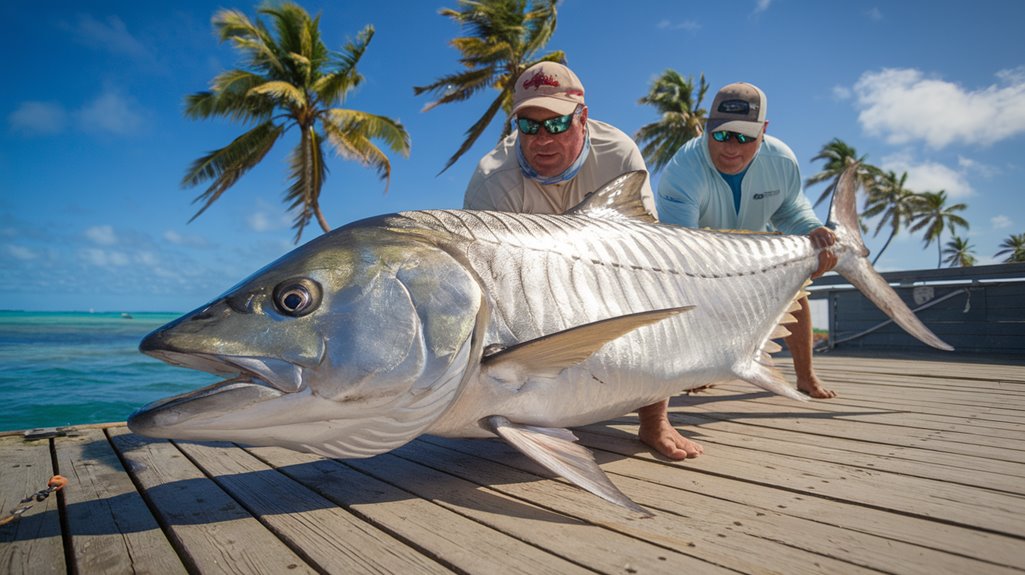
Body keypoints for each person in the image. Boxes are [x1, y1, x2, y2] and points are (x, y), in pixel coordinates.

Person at [651, 81, 838, 460]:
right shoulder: (682, 170)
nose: (730, 147)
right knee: (687, 304)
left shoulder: (782, 161)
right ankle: (697, 372)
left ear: (764, 131)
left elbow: (791, 211)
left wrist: (814, 232)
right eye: (720, 134)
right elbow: (679, 249)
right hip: (700, 255)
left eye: (744, 137)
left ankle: (805, 375)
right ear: (706, 126)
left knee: (796, 292)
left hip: (758, 248)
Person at [464, 62, 656, 217]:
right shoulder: (491, 181)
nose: (542, 140)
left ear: (582, 119)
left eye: (556, 124)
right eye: (528, 126)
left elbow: (645, 241)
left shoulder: (619, 157)